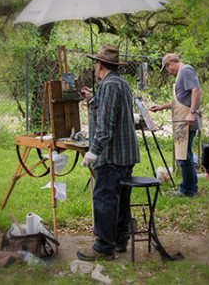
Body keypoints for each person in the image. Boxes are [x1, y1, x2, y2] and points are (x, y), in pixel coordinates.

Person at [77, 44, 140, 261]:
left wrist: (93, 151)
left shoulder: (109, 85)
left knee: (104, 198)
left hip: (113, 155)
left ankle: (104, 247)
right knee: (120, 198)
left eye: (96, 64)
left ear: (100, 64)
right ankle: (120, 240)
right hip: (125, 154)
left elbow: (106, 124)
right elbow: (109, 111)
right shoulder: (119, 83)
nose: (95, 68)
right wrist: (91, 100)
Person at [150, 53, 201, 197]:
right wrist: (161, 107)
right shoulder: (181, 75)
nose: (168, 72)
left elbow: (196, 90)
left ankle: (188, 190)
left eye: (166, 68)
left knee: (185, 157)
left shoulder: (186, 70)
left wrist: (192, 112)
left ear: (170, 64)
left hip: (187, 121)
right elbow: (179, 101)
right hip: (182, 122)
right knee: (184, 156)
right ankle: (190, 186)